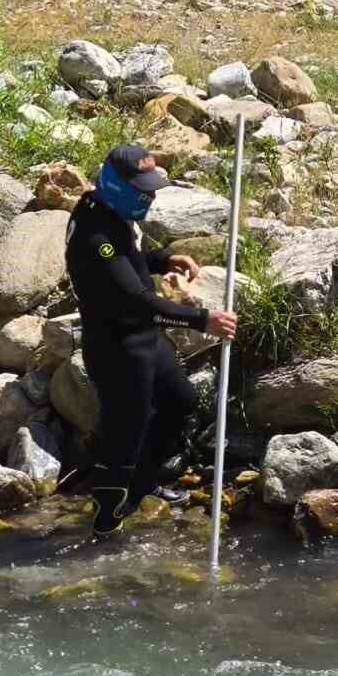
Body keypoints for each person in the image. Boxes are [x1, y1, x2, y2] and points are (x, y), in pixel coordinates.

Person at [65, 145, 238, 538]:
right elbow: (137, 301)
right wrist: (203, 320)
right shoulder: (94, 234)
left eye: (151, 188)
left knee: (180, 402)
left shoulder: (106, 210)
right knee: (124, 437)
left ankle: (142, 487)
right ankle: (105, 529)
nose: (150, 197)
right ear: (117, 185)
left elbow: (127, 258)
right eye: (142, 190)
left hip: (143, 339)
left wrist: (162, 260)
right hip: (118, 350)